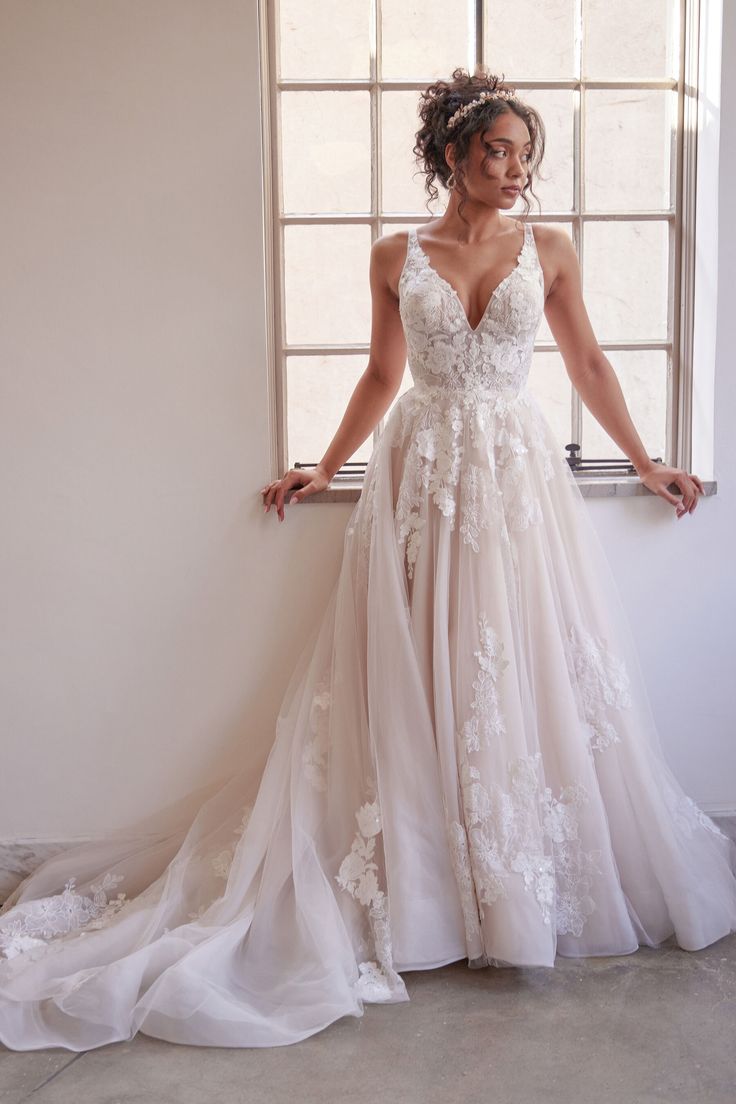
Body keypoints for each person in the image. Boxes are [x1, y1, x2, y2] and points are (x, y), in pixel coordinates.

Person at [1, 67, 734, 1053]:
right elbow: (385, 373)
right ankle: (431, 890)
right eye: (496, 151)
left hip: (514, 481)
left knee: (517, 665)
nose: (514, 170)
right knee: (416, 670)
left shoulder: (548, 248)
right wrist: (322, 468)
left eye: (525, 154)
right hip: (422, 477)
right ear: (452, 156)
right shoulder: (398, 253)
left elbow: (589, 363)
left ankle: (515, 885)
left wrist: (647, 465)